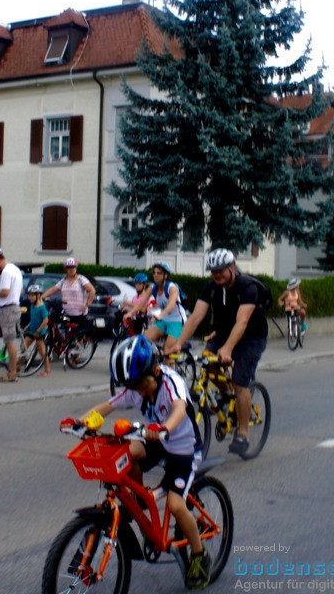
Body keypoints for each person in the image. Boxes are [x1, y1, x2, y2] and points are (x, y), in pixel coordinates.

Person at [72, 336, 210, 589]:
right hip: (157, 439)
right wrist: (80, 422)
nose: (137, 391)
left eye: (140, 384)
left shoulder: (170, 384)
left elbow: (179, 408)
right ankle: (138, 500)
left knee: (176, 505)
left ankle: (200, 556)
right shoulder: (135, 389)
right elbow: (108, 406)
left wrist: (165, 428)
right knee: (125, 452)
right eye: (131, 386)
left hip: (183, 448)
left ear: (155, 372)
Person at [168, 248, 268, 457]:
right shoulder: (212, 287)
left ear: (232, 268)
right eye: (213, 272)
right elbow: (195, 317)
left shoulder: (247, 287)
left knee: (241, 382)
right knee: (207, 361)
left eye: (220, 271)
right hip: (224, 332)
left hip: (252, 336)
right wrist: (178, 344)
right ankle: (226, 396)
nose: (216, 275)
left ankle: (242, 433)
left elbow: (242, 322)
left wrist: (228, 348)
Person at [40, 257, 95, 358]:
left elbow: (92, 290)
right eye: (69, 267)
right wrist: (42, 297)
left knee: (77, 335)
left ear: (76, 268)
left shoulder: (81, 279)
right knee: (62, 331)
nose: (71, 269)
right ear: (66, 269)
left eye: (73, 267)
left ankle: (77, 355)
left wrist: (87, 304)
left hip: (79, 313)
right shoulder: (63, 281)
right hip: (66, 311)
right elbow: (53, 289)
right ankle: (60, 349)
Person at [0, 247, 24, 382]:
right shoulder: (15, 269)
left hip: (8, 309)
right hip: (5, 308)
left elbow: (5, 292)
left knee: (9, 342)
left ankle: (12, 374)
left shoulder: (6, 272)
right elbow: (20, 290)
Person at [130, 261, 184, 352]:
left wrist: (159, 315)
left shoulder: (172, 288)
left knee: (167, 350)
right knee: (145, 340)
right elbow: (141, 303)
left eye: (159, 273)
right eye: (154, 272)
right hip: (163, 319)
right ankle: (155, 363)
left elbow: (171, 305)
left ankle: (169, 363)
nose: (155, 275)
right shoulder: (153, 287)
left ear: (165, 275)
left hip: (176, 321)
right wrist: (129, 313)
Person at [24, 284, 50, 377]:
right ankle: (17, 365)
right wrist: (28, 325)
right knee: (23, 347)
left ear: (38, 296)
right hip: (32, 331)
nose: (29, 297)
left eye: (32, 295)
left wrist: (38, 331)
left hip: (39, 333)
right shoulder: (32, 306)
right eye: (29, 295)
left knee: (42, 352)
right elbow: (34, 318)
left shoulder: (42, 307)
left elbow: (45, 321)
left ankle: (47, 370)